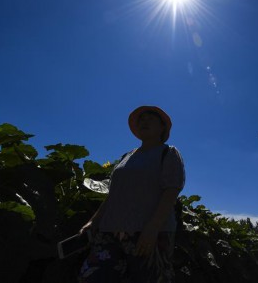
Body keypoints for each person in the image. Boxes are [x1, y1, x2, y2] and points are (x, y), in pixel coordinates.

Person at [78, 106, 185, 283]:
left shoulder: (168, 153)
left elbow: (172, 190)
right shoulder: (127, 156)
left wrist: (153, 228)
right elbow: (114, 194)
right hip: (110, 231)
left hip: (147, 233)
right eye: (141, 119)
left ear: (162, 128)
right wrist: (93, 221)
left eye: (151, 118)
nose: (144, 121)